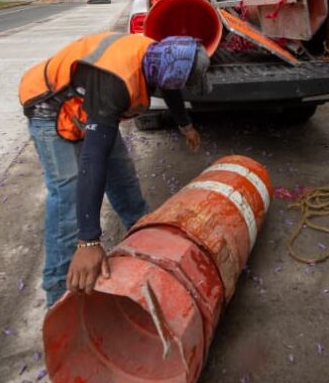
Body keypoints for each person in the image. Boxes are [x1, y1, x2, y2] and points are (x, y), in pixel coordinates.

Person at [18, 32, 209, 306]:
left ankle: (146, 245)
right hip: (48, 102)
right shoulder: (116, 83)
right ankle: (57, 294)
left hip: (88, 101)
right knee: (69, 196)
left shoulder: (157, 56)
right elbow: (92, 159)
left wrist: (185, 125)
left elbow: (170, 87)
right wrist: (89, 241)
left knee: (122, 177)